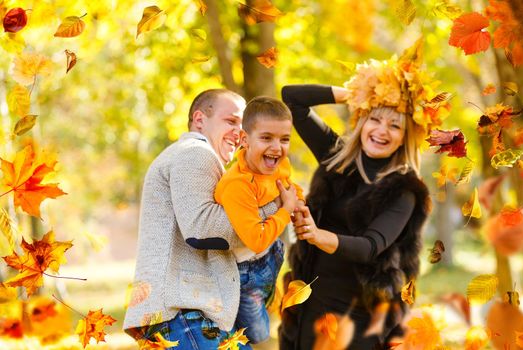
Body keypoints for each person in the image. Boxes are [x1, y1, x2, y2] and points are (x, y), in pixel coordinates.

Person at [278, 40, 444, 349]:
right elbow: (292, 99)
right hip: (313, 301)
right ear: (362, 120)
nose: (382, 130)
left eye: (395, 125)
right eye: (375, 118)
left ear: (405, 138)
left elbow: (370, 247)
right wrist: (357, 94)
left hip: (362, 314)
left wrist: (316, 235)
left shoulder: (405, 189)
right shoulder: (336, 155)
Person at [123, 89, 279, 349]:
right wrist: (275, 208)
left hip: (185, 317)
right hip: (184, 314)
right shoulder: (195, 152)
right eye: (231, 121)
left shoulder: (192, 157)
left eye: (244, 127)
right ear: (199, 120)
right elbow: (203, 230)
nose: (240, 133)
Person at [214, 96, 304, 344]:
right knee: (257, 334)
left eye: (284, 139)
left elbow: (289, 187)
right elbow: (255, 239)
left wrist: (300, 204)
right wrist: (286, 209)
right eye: (266, 138)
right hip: (245, 273)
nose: (277, 147)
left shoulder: (279, 165)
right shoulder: (238, 185)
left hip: (271, 255)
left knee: (259, 322)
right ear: (244, 140)